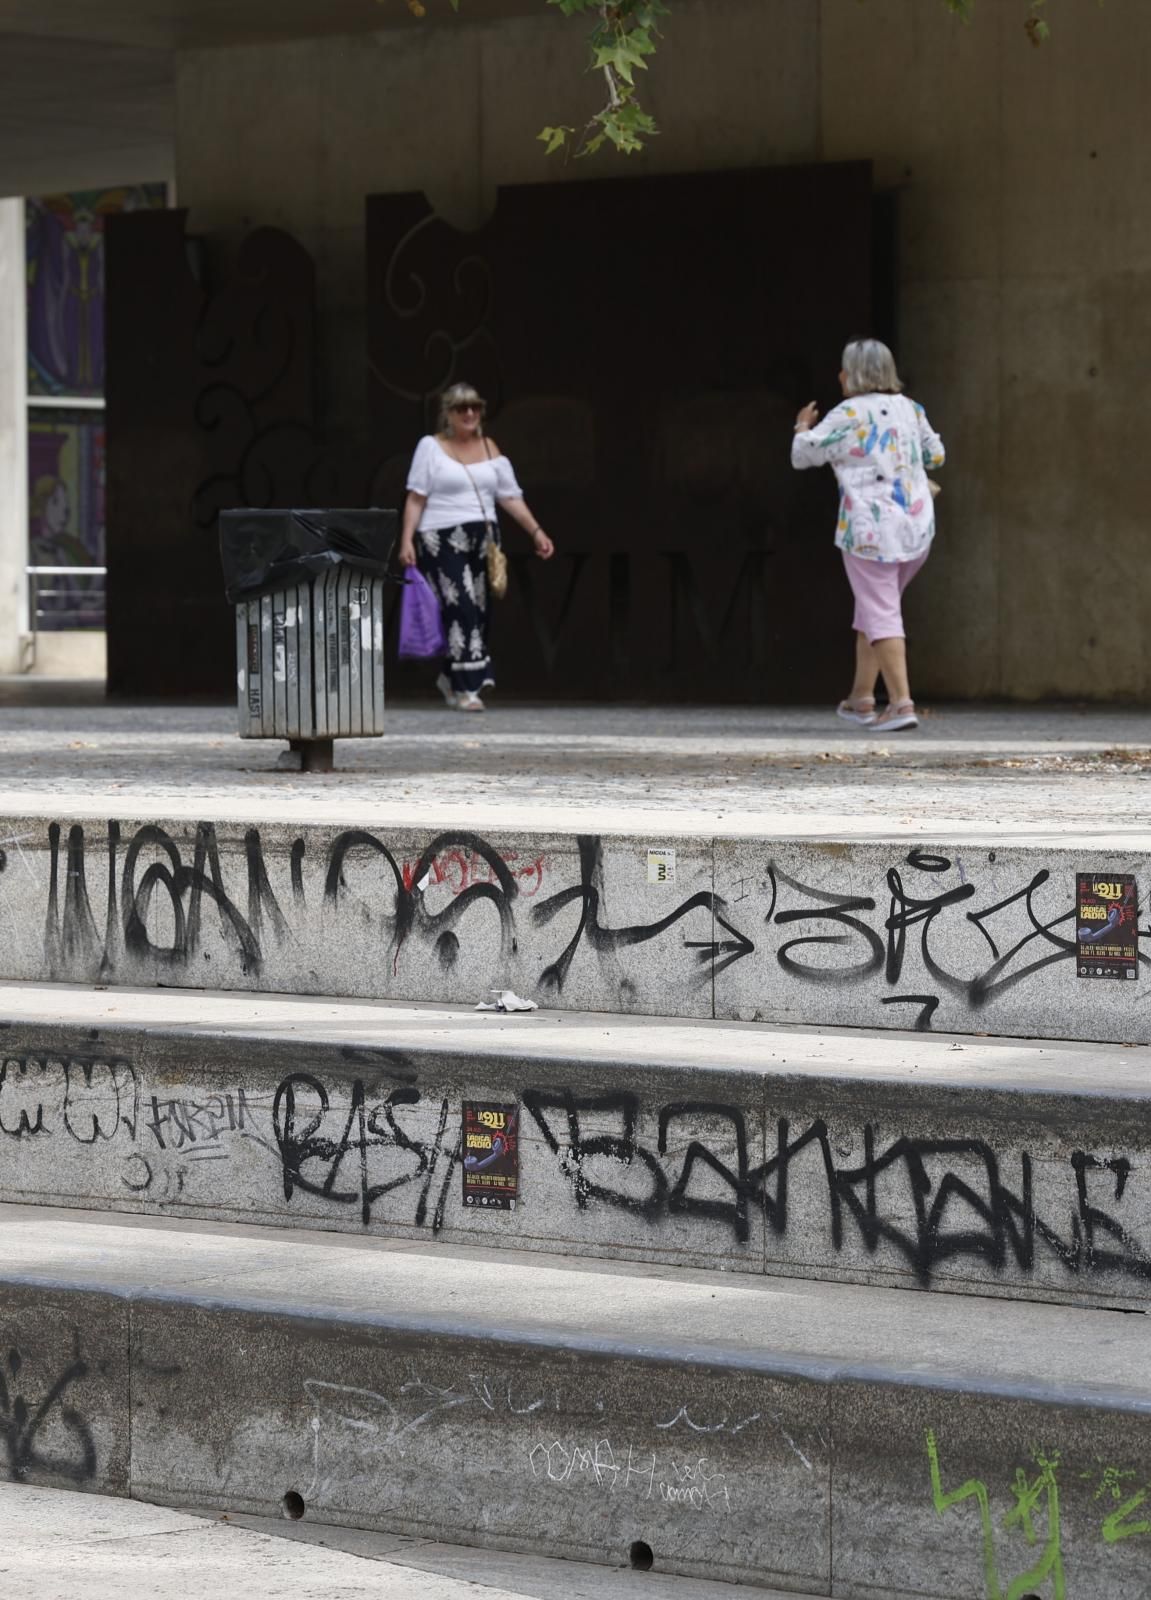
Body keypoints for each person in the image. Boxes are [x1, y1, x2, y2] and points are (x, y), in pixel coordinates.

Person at [791, 338, 945, 731]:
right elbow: (936, 455)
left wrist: (802, 426)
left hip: (870, 530)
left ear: (851, 374)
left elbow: (804, 455)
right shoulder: (912, 409)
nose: (840, 376)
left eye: (843, 370)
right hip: (915, 529)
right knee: (876, 609)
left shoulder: (848, 414)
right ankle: (861, 698)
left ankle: (900, 704)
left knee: (881, 613)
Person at [398, 383, 554, 712]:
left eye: (475, 407)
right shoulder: (431, 447)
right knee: (462, 605)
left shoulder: (489, 447)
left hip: (483, 537)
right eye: (461, 408)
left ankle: (450, 677)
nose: (469, 414)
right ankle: (469, 687)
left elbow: (510, 497)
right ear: (448, 414)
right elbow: (416, 497)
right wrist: (406, 539)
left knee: (480, 612)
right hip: (440, 536)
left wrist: (536, 532)